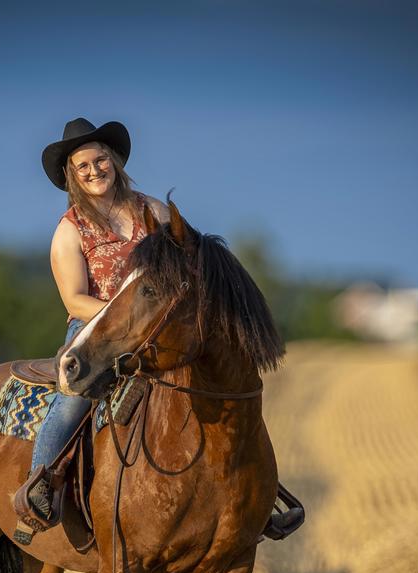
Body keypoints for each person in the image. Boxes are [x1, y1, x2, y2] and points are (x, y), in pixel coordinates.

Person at [15, 117, 304, 540]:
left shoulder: (154, 211)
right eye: (83, 166)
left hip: (160, 328)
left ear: (113, 161)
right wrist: (124, 315)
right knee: (72, 401)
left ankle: (256, 495)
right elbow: (74, 297)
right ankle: (41, 487)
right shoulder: (69, 230)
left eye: (100, 160)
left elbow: (191, 265)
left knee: (221, 393)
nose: (95, 170)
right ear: (71, 176)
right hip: (97, 330)